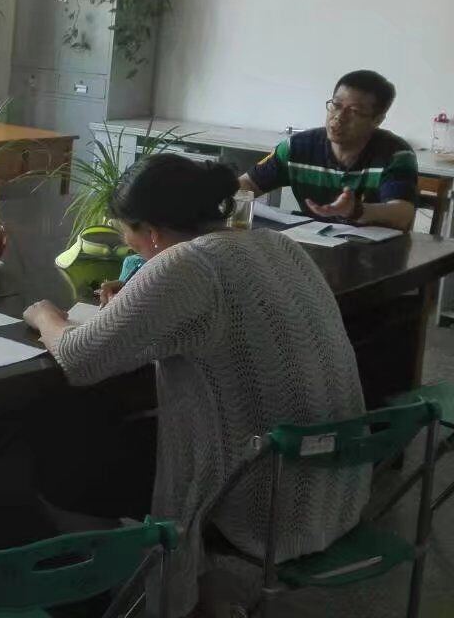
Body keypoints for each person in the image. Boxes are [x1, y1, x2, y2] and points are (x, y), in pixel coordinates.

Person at [24, 154, 367, 617]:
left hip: (261, 495)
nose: (128, 245)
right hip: (335, 477)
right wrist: (142, 298)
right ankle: (203, 589)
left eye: (127, 235)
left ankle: (128, 591)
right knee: (111, 434)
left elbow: (81, 358)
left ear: (151, 232)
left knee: (60, 470)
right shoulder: (276, 244)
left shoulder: (189, 263)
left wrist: (45, 314)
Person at [240, 69, 417, 231]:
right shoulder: (297, 147)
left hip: (374, 249)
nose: (339, 117)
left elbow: (402, 213)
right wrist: (226, 191)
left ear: (377, 120)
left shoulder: (395, 154)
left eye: (354, 111)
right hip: (313, 242)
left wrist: (355, 210)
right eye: (336, 105)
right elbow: (248, 184)